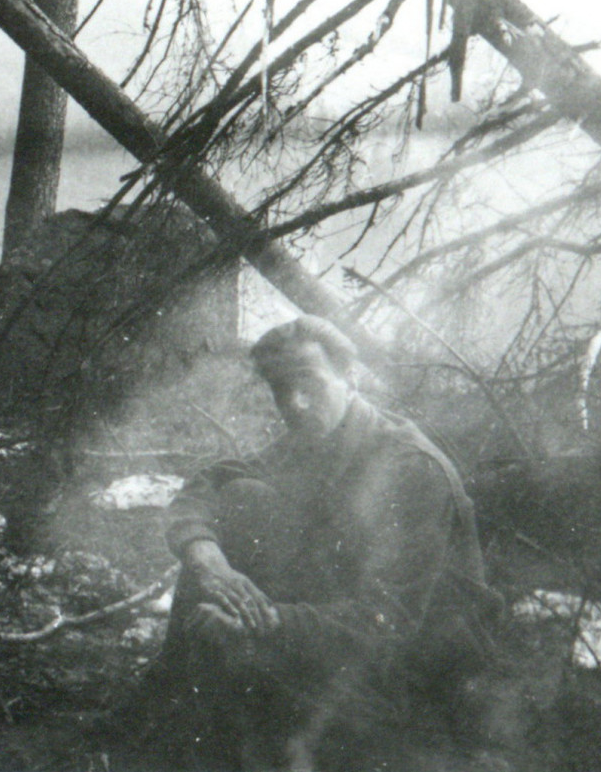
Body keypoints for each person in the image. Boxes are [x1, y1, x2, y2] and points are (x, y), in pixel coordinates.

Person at [138, 316, 496, 770]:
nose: (295, 403)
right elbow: (215, 479)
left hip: (416, 674)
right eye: (281, 389)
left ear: (351, 377)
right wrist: (204, 555)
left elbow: (390, 621)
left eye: (309, 383)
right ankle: (171, 716)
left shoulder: (409, 466)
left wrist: (262, 622)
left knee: (230, 652)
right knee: (242, 497)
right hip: (343, 641)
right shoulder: (312, 440)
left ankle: (182, 728)